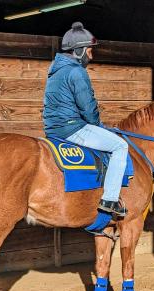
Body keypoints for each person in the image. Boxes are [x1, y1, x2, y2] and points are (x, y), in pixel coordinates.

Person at [43, 22, 128, 216]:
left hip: (53, 130)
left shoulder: (55, 71)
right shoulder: (77, 72)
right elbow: (88, 108)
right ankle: (110, 200)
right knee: (120, 146)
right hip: (72, 128)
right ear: (80, 51)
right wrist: (101, 127)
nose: (92, 56)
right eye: (90, 51)